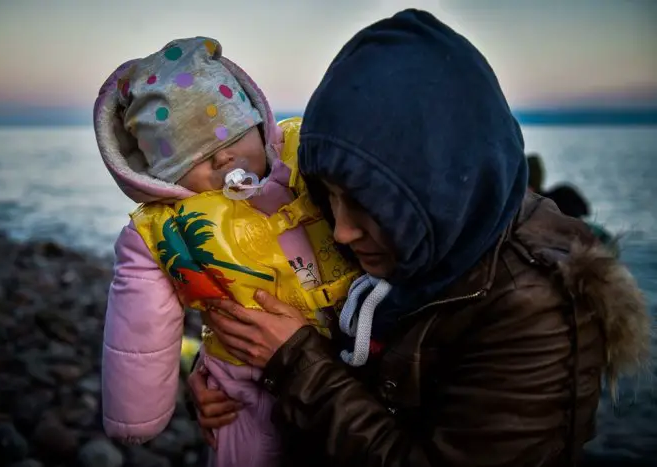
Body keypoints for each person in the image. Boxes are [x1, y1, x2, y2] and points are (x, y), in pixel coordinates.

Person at [187, 10, 650, 467]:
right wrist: (229, 380)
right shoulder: (394, 243)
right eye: (329, 196)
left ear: (437, 184)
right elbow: (301, 325)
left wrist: (293, 362)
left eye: (370, 204)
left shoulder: (534, 307)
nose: (343, 230)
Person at [93, 37, 357, 466]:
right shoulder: (160, 231)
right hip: (242, 381)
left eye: (234, 135)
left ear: (259, 122)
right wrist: (135, 413)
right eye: (196, 157)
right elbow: (140, 323)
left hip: (356, 351)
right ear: (166, 179)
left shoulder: (309, 158)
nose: (224, 159)